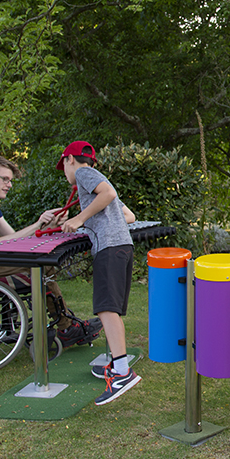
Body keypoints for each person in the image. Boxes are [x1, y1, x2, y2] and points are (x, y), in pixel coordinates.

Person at [0, 154, 102, 348]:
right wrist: (38, 224)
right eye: (5, 179)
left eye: (10, 180)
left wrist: (46, 223)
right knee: (41, 267)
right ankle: (65, 327)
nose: (9, 184)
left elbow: (16, 238)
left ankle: (65, 325)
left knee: (42, 267)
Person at [56, 140, 140, 406]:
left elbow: (108, 195)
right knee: (110, 309)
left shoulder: (83, 173)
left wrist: (80, 219)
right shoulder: (97, 178)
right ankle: (118, 366)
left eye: (64, 167)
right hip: (122, 245)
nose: (66, 174)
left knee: (106, 309)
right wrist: (90, 221)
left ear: (70, 159)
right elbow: (129, 215)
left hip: (110, 247)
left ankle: (123, 374)